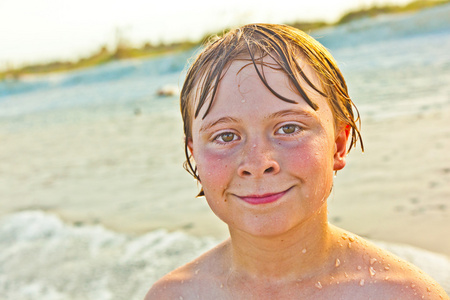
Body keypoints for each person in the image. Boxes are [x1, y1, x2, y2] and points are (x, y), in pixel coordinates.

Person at [146, 23, 449, 299]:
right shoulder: (173, 296)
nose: (257, 162)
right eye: (226, 136)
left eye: (289, 128)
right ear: (195, 156)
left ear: (338, 145)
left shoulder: (403, 295)